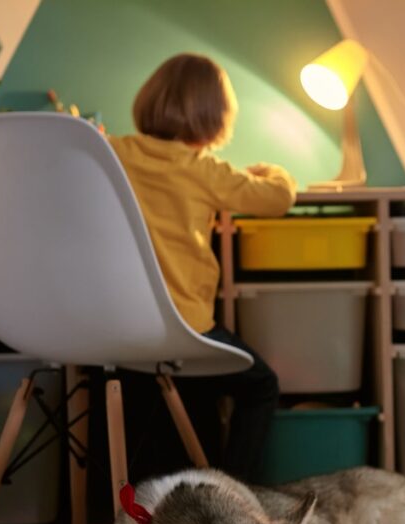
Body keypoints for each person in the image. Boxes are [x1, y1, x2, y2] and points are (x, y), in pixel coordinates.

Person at [107, 53, 297, 480]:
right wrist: (272, 170)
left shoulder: (113, 153)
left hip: (116, 328)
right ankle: (234, 495)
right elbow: (277, 198)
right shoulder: (204, 170)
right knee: (261, 386)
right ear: (214, 117)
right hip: (185, 327)